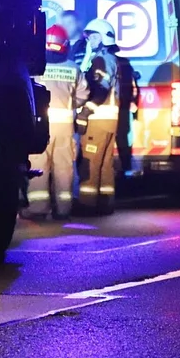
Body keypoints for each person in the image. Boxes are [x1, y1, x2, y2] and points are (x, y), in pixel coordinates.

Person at [23, 25, 89, 220]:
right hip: (64, 127)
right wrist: (69, 104)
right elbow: (83, 95)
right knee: (64, 166)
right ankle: (63, 208)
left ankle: (37, 208)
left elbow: (29, 93)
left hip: (40, 124)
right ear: (65, 45)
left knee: (38, 163)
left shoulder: (35, 67)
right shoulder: (73, 68)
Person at [76, 18, 120, 215]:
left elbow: (101, 90)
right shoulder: (111, 59)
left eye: (94, 36)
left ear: (103, 38)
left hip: (98, 119)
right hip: (109, 120)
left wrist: (85, 113)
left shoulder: (101, 60)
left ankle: (87, 203)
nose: (90, 40)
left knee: (91, 160)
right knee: (105, 162)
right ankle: (105, 201)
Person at [108, 41, 140, 175]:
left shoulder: (103, 62)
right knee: (123, 140)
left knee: (114, 140)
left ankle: (122, 168)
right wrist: (132, 102)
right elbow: (133, 87)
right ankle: (125, 168)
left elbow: (132, 87)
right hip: (121, 107)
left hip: (113, 108)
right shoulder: (124, 63)